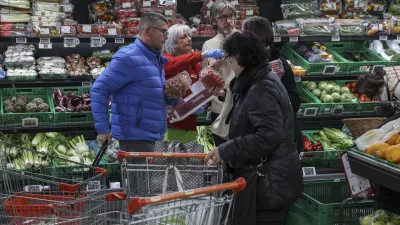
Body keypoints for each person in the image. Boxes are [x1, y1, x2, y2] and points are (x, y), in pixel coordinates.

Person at [205, 31, 303, 225]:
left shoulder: (261, 87)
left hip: (268, 181)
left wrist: (226, 150)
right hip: (266, 179)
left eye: (229, 58)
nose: (228, 63)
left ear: (239, 57)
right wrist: (227, 95)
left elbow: (268, 136)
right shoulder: (258, 80)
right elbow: (251, 115)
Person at [91, 13, 180, 163]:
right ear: (147, 31)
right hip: (135, 137)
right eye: (163, 32)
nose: (166, 37)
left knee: (148, 185)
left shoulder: (154, 58)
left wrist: (172, 96)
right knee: (140, 185)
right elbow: (99, 89)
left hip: (152, 135)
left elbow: (147, 92)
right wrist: (103, 129)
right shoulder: (128, 57)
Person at [242, 16, 303, 153]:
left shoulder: (277, 64)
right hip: (270, 137)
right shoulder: (256, 60)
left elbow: (294, 100)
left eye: (243, 34)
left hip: (280, 141)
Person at [162, 24, 225, 143]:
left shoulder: (195, 64)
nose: (189, 39)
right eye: (183, 37)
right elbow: (175, 64)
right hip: (167, 126)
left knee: (188, 160)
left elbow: (201, 88)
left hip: (189, 126)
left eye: (190, 36)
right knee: (165, 160)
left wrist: (202, 103)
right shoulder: (165, 59)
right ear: (172, 41)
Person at [202, 0, 237, 146]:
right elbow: (204, 77)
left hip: (240, 105)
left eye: (231, 16)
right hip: (219, 108)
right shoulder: (209, 45)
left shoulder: (244, 40)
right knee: (222, 153)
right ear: (214, 20)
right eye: (223, 17)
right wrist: (215, 67)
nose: (228, 21)